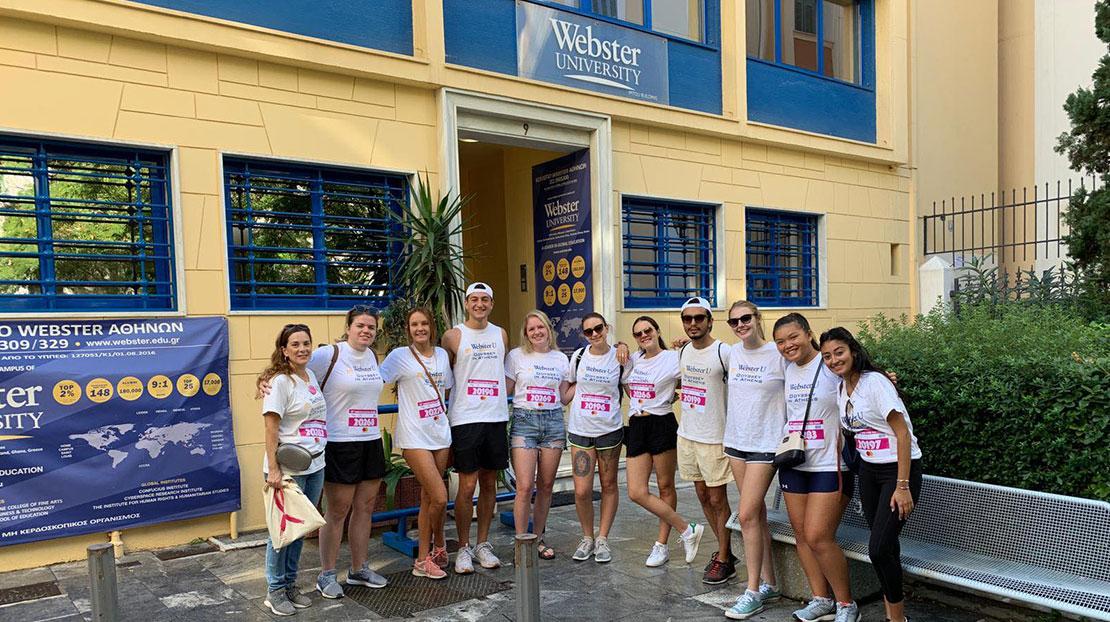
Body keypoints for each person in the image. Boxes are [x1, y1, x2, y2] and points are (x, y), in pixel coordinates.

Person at [761, 313, 858, 622]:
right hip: (794, 462)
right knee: (802, 536)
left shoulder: (829, 366)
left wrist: (888, 377)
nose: (788, 345)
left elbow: (864, 378)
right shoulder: (785, 369)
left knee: (819, 536)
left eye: (793, 337)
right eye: (780, 341)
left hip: (831, 464)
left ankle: (847, 604)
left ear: (808, 334)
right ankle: (821, 599)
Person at [821, 327, 923, 622]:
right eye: (827, 356)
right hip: (868, 470)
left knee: (877, 549)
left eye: (838, 352)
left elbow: (902, 434)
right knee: (887, 546)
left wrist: (902, 486)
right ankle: (896, 616)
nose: (833, 360)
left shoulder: (875, 382)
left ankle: (896, 619)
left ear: (853, 350)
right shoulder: (842, 387)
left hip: (898, 471)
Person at [307, 306, 390, 597]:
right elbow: (293, 373)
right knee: (338, 510)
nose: (366, 331)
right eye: (361, 326)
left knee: (366, 507)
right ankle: (327, 574)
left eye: (371, 327)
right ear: (348, 327)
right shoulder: (328, 355)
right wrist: (268, 382)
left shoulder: (371, 356)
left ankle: (358, 569)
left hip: (370, 440)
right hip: (340, 443)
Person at [623, 315, 704, 568]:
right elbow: (626, 385)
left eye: (648, 330)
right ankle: (686, 528)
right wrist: (620, 346)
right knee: (636, 491)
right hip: (636, 424)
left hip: (662, 423)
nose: (643, 335)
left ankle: (661, 545)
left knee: (665, 486)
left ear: (657, 331)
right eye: (638, 333)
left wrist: (670, 394)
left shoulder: (673, 358)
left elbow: (693, 376)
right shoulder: (632, 360)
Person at [380, 308, 454, 580]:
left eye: (424, 323)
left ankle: (430, 553)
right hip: (413, 436)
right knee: (440, 496)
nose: (419, 328)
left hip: (440, 433)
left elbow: (446, 390)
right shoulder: (399, 356)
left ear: (431, 326)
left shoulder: (443, 355)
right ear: (408, 329)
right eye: (414, 324)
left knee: (427, 498)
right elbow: (373, 379)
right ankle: (428, 554)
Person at [720, 301, 785, 618]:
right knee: (755, 513)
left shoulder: (778, 353)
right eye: (734, 321)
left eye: (746, 318)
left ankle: (752, 590)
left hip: (766, 444)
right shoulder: (731, 353)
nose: (740, 324)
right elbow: (696, 349)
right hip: (736, 443)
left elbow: (814, 367)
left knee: (745, 515)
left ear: (758, 319)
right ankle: (769, 584)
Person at [441, 282, 510, 573]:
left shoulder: (501, 334)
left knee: (489, 483)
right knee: (467, 485)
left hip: (495, 417)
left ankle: (483, 544)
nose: (479, 304)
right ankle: (464, 547)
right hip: (465, 418)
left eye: (485, 299)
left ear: (491, 304)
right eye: (474, 300)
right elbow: (445, 376)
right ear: (466, 304)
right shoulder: (453, 336)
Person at [259, 324, 327, 616]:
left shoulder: (309, 375)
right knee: (281, 532)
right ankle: (274, 591)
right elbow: (271, 427)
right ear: (284, 350)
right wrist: (273, 469)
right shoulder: (279, 382)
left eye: (306, 343)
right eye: (295, 344)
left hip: (315, 463)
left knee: (299, 531)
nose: (302, 349)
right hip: (287, 470)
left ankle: (289, 584)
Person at [675, 297, 734, 585]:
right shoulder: (683, 350)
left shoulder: (724, 351)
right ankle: (726, 550)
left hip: (714, 437)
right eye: (688, 319)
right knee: (701, 496)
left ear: (710, 321)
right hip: (687, 435)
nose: (694, 323)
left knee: (717, 498)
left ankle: (724, 558)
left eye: (699, 318)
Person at [504, 310, 570, 559]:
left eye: (540, 327)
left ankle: (539, 539)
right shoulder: (516, 357)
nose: (537, 332)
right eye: (531, 329)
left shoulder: (561, 359)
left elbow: (564, 396)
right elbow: (505, 389)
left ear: (548, 329)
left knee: (545, 486)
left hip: (553, 421)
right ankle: (522, 543)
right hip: (524, 421)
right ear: (526, 333)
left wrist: (586, 382)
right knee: (524, 486)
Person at [562, 311, 624, 563]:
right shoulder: (578, 357)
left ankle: (603, 538)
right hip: (581, 431)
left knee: (609, 485)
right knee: (582, 490)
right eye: (588, 331)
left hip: (609, 430)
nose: (595, 334)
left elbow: (634, 386)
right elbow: (565, 392)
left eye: (598, 328)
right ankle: (587, 537)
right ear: (583, 335)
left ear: (606, 328)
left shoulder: (620, 356)